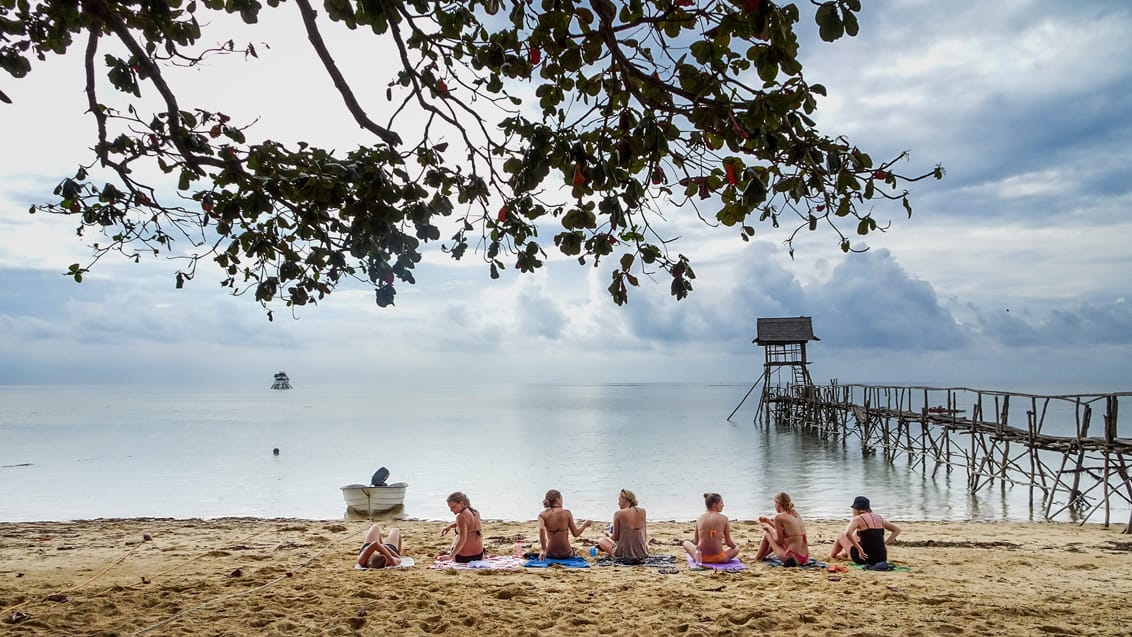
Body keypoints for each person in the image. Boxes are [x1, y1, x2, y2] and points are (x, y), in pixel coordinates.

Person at [829, 495, 901, 565]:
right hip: (881, 558)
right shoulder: (879, 518)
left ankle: (833, 556)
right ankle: (844, 554)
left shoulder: (858, 519)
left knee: (841, 536)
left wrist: (859, 549)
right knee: (857, 537)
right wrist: (884, 544)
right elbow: (897, 530)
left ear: (856, 509)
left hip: (863, 558)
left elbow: (848, 533)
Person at [681, 492, 740, 564]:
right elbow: (728, 543)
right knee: (736, 548)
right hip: (719, 558)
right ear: (714, 505)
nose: (723, 505)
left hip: (701, 558)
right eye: (721, 503)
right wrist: (734, 546)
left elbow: (697, 542)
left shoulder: (699, 518)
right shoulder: (724, 518)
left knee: (686, 543)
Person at [754, 492, 809, 566]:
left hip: (792, 558)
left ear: (778, 503)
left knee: (768, 534)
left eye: (775, 503)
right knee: (774, 534)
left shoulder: (779, 517)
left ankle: (757, 557)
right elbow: (785, 532)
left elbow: (779, 541)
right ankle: (761, 556)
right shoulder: (795, 513)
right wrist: (768, 521)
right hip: (804, 558)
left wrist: (769, 529)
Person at [596, 488, 649, 561]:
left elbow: (615, 537)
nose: (618, 503)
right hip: (642, 552)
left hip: (624, 554)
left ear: (624, 499)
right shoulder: (643, 511)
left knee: (601, 540)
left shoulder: (619, 513)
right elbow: (644, 534)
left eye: (619, 500)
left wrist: (608, 534)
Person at [537, 489, 592, 559]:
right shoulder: (567, 513)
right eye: (561, 499)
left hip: (550, 553)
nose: (562, 501)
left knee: (547, 541)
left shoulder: (542, 515)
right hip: (566, 553)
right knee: (572, 551)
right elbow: (576, 534)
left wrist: (544, 550)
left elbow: (541, 529)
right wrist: (585, 524)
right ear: (557, 499)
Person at [437, 491, 485, 563]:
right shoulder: (475, 512)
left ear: (462, 503)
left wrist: (450, 556)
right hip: (479, 555)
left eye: (453, 507)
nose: (451, 510)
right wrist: (450, 526)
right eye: (450, 508)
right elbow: (468, 523)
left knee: (458, 536)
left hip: (463, 557)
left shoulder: (460, 517)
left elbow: (462, 539)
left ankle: (452, 553)